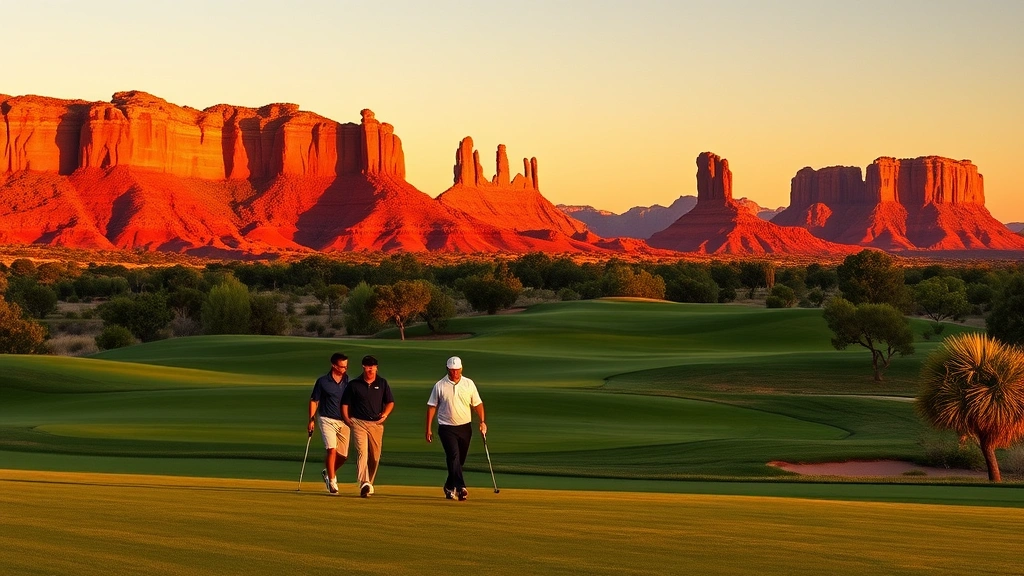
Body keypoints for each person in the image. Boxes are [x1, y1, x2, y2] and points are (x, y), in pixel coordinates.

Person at [425, 356, 485, 501]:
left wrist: (482, 421)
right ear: (447, 369)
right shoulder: (439, 385)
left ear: (461, 369)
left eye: (457, 370)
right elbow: (432, 406)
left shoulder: (469, 384)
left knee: (459, 460)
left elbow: (477, 404)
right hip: (446, 428)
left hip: (465, 427)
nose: (455, 373)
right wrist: (428, 429)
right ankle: (461, 488)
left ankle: (448, 486)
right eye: (452, 371)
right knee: (453, 456)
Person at [341, 355, 395, 498]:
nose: (370, 369)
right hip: (359, 422)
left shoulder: (382, 383)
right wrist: (346, 418)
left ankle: (368, 484)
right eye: (367, 366)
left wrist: (385, 415)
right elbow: (345, 403)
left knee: (375, 457)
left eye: (373, 366)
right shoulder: (354, 384)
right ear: (363, 367)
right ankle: (364, 482)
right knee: (362, 452)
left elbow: (390, 402)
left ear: (376, 368)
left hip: (376, 424)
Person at [308, 352, 350, 495]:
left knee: (343, 456)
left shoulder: (347, 381)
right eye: (342, 366)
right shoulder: (322, 381)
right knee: (331, 450)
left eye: (346, 366)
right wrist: (311, 419)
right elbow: (314, 401)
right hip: (327, 419)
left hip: (344, 421)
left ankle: (327, 472)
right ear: (334, 365)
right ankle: (332, 482)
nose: (345, 369)